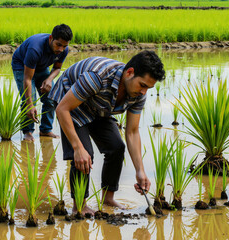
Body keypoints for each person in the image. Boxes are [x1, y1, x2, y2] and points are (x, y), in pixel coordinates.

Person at [49, 50, 165, 214]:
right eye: (143, 85)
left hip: (98, 105)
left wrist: (140, 170)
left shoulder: (138, 93)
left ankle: (108, 199)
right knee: (85, 154)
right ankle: (79, 206)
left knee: (116, 147)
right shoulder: (98, 76)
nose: (144, 92)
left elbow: (132, 132)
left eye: (149, 88)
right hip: (70, 101)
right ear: (129, 72)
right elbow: (63, 109)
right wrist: (77, 147)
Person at [11, 24, 72, 141]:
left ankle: (45, 130)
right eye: (58, 44)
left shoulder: (64, 50)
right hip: (22, 66)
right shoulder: (35, 48)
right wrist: (30, 105)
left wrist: (49, 79)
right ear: (51, 38)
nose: (61, 49)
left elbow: (57, 68)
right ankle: (27, 131)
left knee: (51, 98)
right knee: (29, 100)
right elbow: (28, 78)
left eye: (64, 46)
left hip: (42, 66)